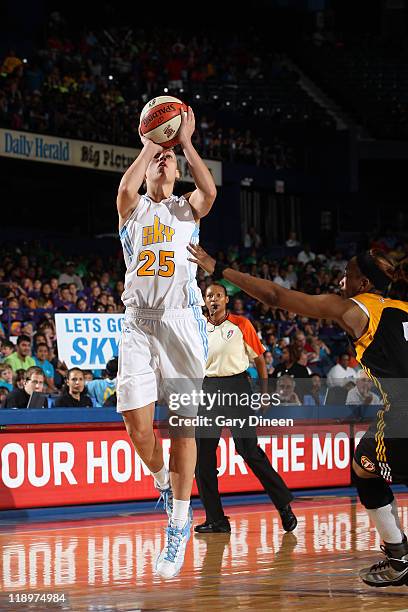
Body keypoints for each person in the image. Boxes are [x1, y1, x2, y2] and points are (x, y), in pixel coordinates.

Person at [187, 243, 408, 587]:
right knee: (363, 462)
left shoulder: (355, 308)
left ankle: (399, 557)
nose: (340, 281)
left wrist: (219, 270)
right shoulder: (403, 307)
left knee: (365, 467)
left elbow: (276, 296)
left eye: (348, 275)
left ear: (363, 284)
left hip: (403, 411)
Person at [116, 105, 216, 579]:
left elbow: (210, 190)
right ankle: (162, 481)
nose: (163, 163)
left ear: (177, 173)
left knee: (182, 428)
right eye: (160, 159)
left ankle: (178, 524)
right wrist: (152, 142)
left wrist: (186, 142)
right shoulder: (133, 207)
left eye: (169, 161)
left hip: (180, 321)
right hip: (138, 322)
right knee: (137, 428)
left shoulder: (186, 209)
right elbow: (124, 187)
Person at [195, 284, 296, 534]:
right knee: (203, 457)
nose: (213, 299)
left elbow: (260, 360)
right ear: (205, 301)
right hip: (208, 389)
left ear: (226, 300)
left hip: (237, 385)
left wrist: (263, 394)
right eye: (209, 296)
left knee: (248, 450)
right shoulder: (198, 326)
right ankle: (216, 519)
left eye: (218, 295)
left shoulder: (242, 324)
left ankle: (283, 504)